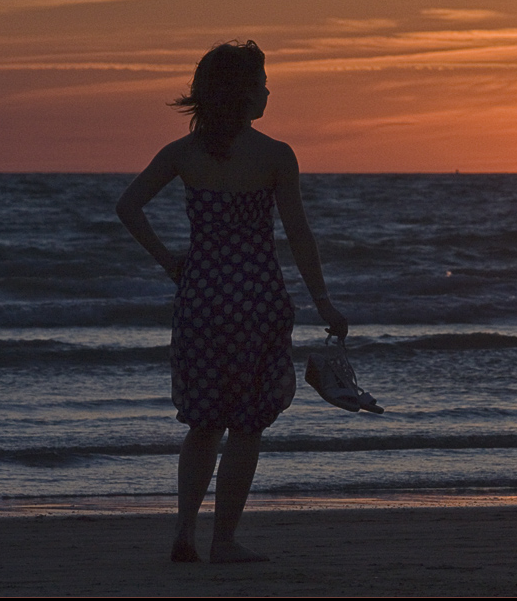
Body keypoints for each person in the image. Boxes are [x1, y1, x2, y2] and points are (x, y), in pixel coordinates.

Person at [116, 40, 347, 563]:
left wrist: (169, 260)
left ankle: (184, 531)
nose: (269, 90)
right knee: (246, 422)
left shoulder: (184, 153)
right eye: (263, 82)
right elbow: (299, 235)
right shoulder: (274, 155)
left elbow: (128, 206)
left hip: (201, 295)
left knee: (202, 422)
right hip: (256, 296)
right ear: (244, 94)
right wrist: (323, 301)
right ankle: (224, 541)